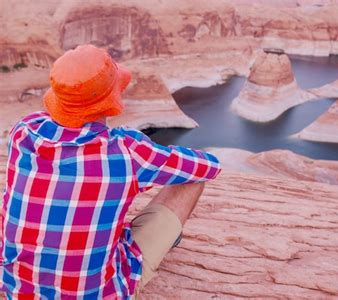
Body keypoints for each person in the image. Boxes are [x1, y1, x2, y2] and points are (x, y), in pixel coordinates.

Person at [0, 44, 222, 299]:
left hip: (17, 291)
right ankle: (164, 239)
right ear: (110, 101)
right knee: (192, 181)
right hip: (96, 294)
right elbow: (209, 167)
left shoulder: (24, 132)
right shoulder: (127, 152)